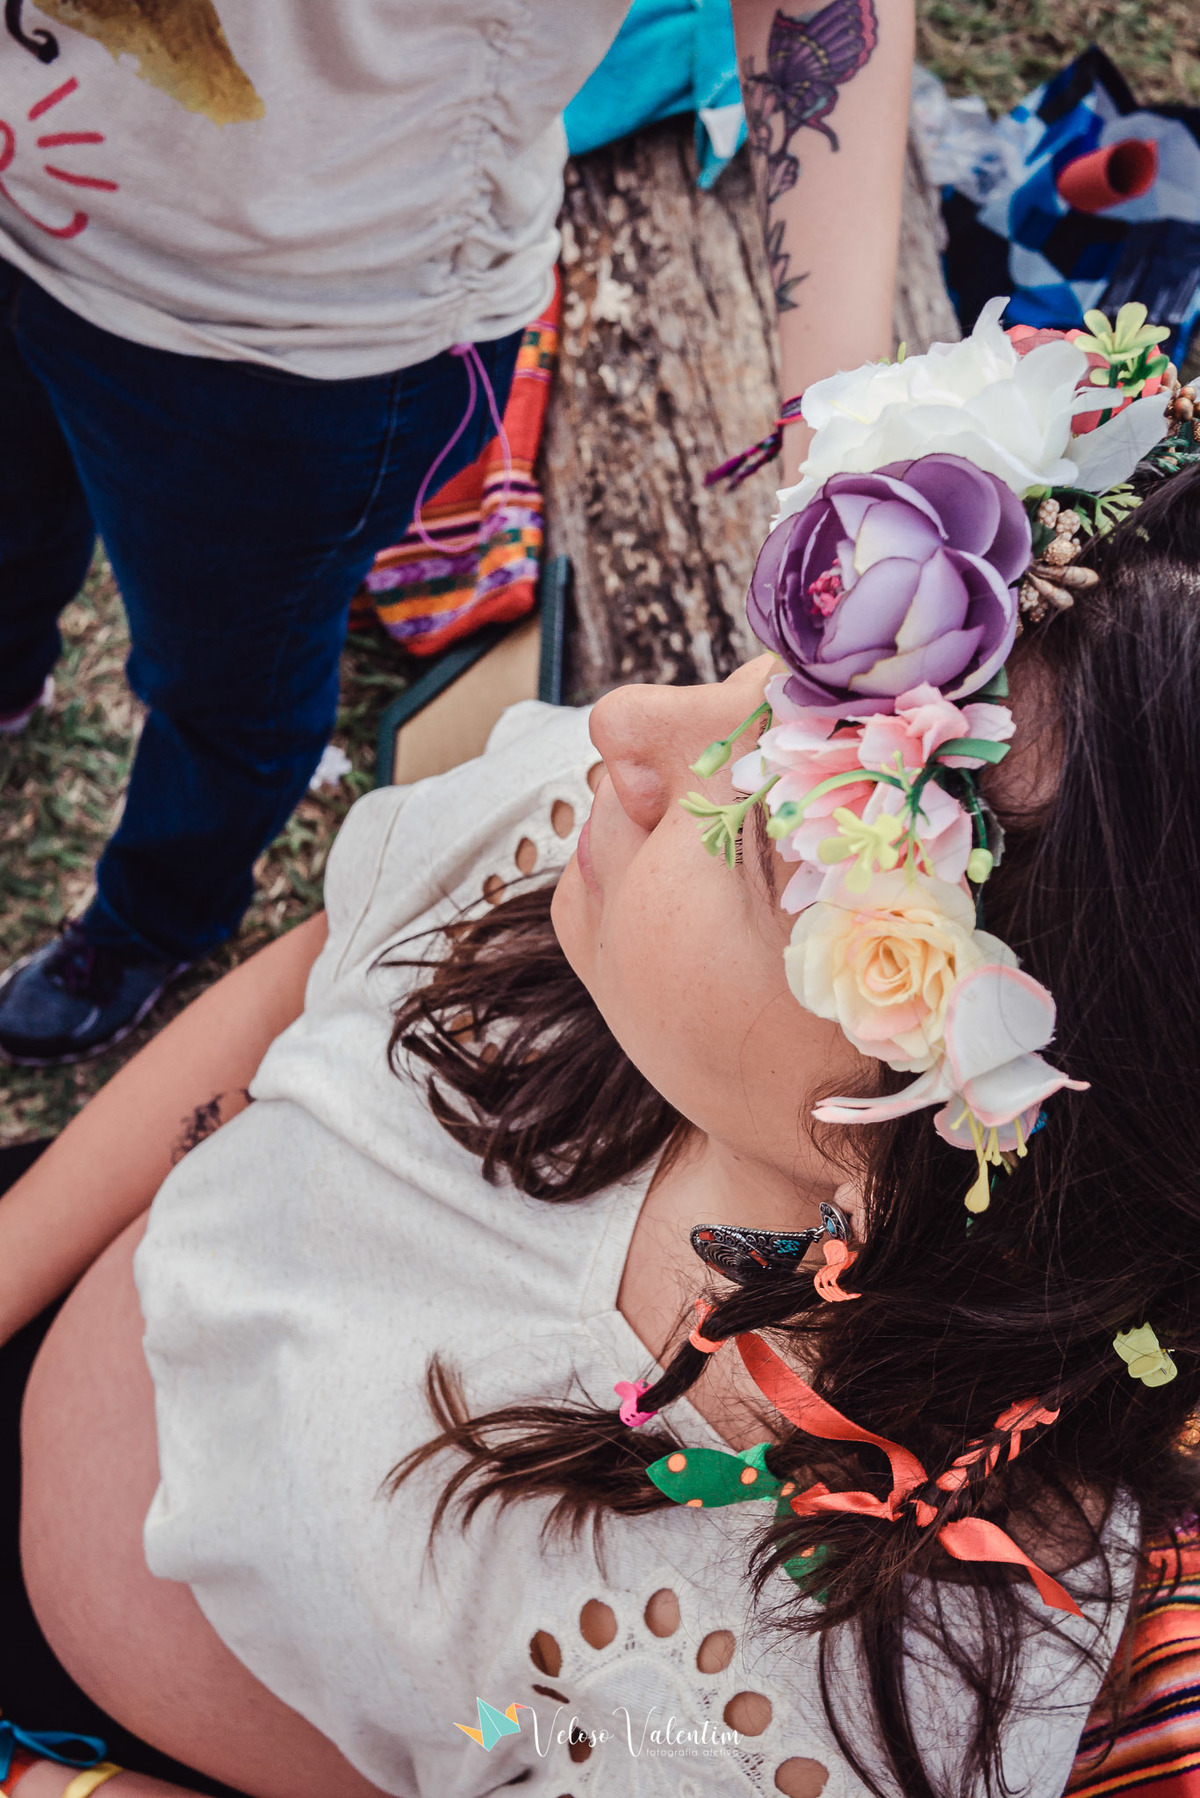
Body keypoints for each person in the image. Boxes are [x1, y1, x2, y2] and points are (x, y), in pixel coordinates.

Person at [0, 305, 1196, 1798]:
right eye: (774, 674)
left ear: (973, 1128)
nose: (630, 725)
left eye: (772, 833)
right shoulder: (584, 845)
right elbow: (316, 980)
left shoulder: (782, 1704)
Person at [0, 0, 915, 1065]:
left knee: (226, 678)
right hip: (26, 207)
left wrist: (836, 431)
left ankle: (157, 915)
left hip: (293, 332)